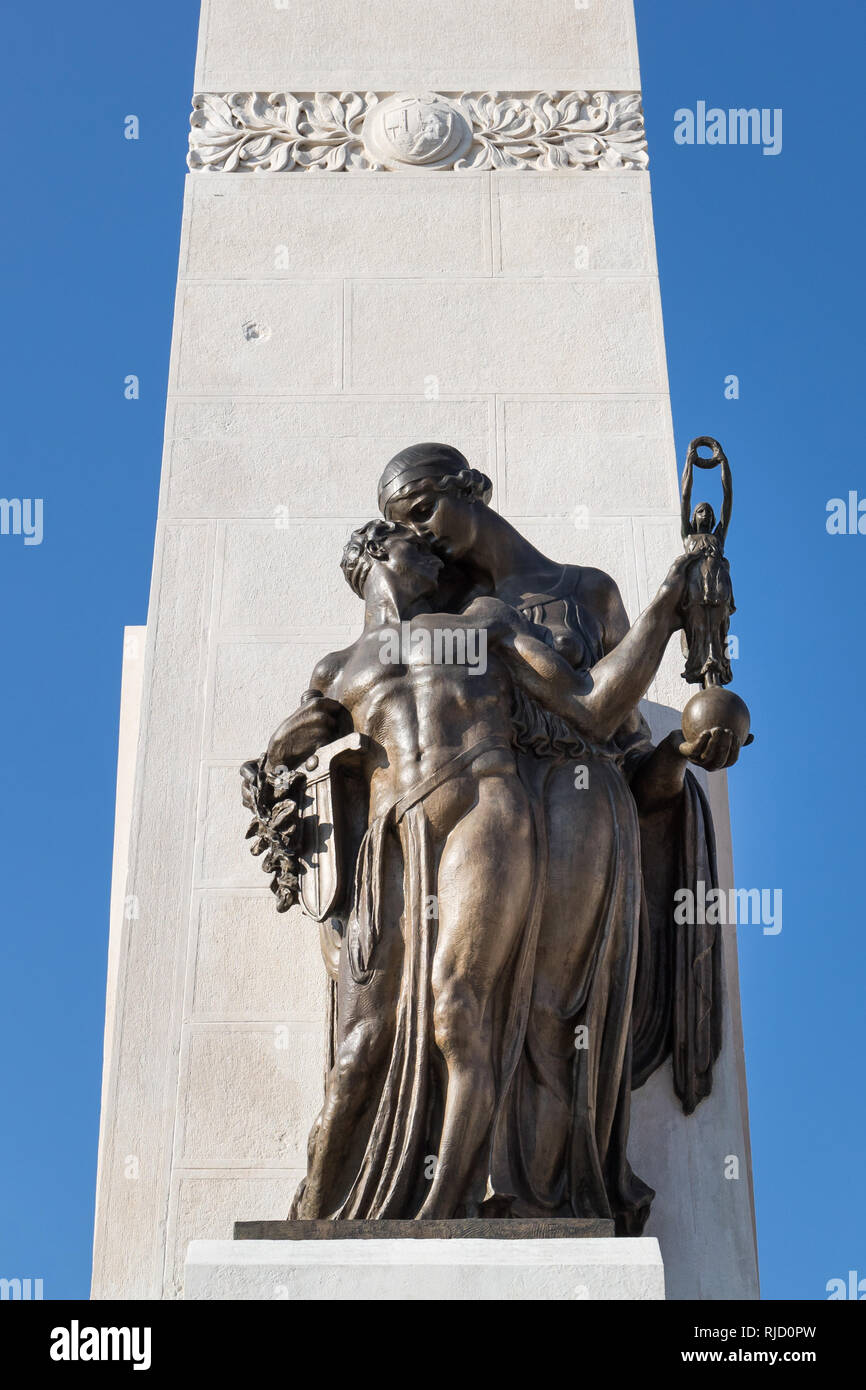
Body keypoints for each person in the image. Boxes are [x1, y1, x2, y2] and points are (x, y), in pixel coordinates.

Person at [267, 519, 689, 1222]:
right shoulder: (337, 670)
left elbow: (589, 708)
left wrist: (665, 613)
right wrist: (281, 760)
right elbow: (288, 766)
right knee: (360, 1045)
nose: (437, 557)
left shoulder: (484, 624)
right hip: (396, 839)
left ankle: (446, 1206)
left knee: (459, 1012)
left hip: (486, 810)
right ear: (379, 555)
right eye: (415, 544)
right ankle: (311, 1214)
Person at [380, 443, 734, 1211]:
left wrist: (683, 748)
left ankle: (542, 1203)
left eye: (425, 508)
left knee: (553, 1012)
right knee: (469, 1006)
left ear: (473, 489)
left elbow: (626, 745)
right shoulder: (462, 624)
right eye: (406, 527)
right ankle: (466, 1193)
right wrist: (664, 616)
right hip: (491, 822)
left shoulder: (586, 595)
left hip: (586, 812)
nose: (424, 534)